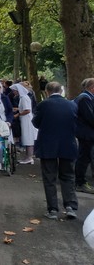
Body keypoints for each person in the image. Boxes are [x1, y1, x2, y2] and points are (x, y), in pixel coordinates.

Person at [33, 81, 79, 220]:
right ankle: (70, 206)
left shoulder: (43, 105)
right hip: (68, 144)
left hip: (48, 145)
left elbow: (36, 122)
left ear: (47, 91)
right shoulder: (72, 104)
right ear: (60, 91)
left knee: (49, 177)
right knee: (68, 176)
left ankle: (53, 209)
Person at [75, 78, 94, 193]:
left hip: (86, 133)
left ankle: (81, 181)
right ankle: (80, 182)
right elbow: (90, 117)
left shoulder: (85, 98)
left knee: (85, 157)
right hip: (86, 134)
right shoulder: (85, 99)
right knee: (84, 157)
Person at [13, 82, 38, 164]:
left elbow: (27, 110)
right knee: (27, 138)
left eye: (15, 90)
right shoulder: (23, 97)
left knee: (28, 138)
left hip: (26, 120)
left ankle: (29, 157)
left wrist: (18, 114)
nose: (14, 92)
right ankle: (28, 156)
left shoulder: (24, 98)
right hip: (25, 119)